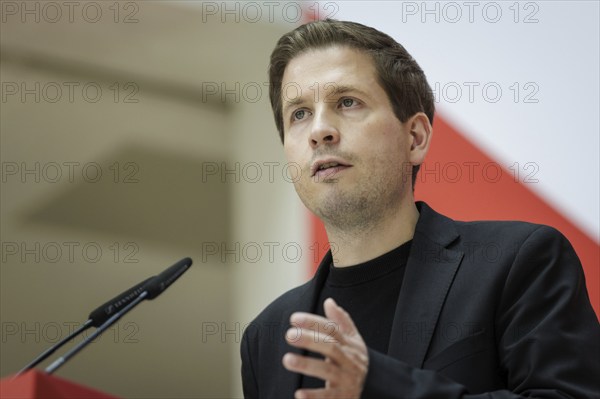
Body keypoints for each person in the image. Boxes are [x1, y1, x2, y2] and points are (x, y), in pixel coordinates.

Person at [240, 19, 600, 398]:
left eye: (347, 102)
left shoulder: (519, 262)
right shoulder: (267, 337)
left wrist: (381, 385)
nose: (319, 130)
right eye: (299, 113)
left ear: (415, 138)